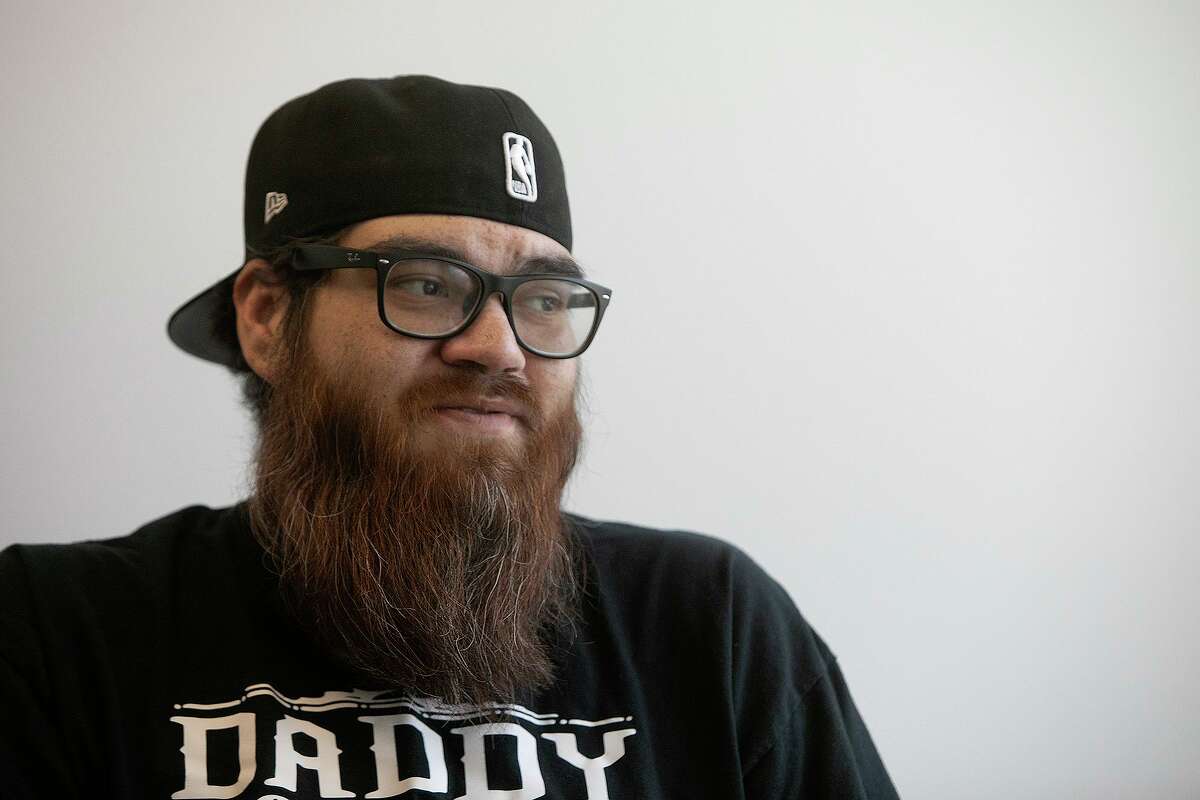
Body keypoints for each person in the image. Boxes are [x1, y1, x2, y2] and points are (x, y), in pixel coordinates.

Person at [0, 75, 900, 799]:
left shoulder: (710, 627)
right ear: (269, 317)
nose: (499, 347)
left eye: (544, 301)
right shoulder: (58, 632)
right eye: (427, 283)